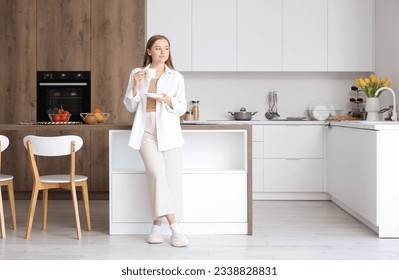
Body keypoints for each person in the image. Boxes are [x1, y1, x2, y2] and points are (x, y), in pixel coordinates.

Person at [123, 35, 189, 247]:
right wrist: (136, 86)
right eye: (158, 48)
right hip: (145, 131)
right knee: (157, 174)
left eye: (166, 48)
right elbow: (130, 107)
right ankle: (175, 228)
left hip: (169, 133)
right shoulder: (137, 73)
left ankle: (155, 227)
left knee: (168, 182)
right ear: (149, 51)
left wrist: (168, 100)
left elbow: (182, 107)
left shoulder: (175, 77)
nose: (163, 52)